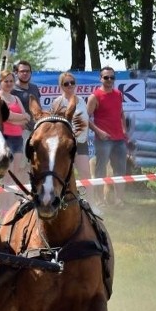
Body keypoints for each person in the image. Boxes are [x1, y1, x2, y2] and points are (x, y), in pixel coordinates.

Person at [50, 71, 97, 209]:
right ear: (61, 86)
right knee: (64, 174)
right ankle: (63, 202)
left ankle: (91, 204)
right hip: (65, 146)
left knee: (86, 174)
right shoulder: (57, 103)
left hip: (81, 143)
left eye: (72, 82)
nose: (70, 85)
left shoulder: (81, 100)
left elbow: (86, 120)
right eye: (66, 83)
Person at [87, 66, 128, 206]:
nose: (109, 80)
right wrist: (99, 132)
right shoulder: (95, 96)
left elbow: (121, 113)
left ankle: (119, 200)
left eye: (112, 77)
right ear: (100, 79)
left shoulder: (118, 94)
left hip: (119, 140)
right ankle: (100, 200)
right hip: (103, 140)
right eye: (106, 77)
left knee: (120, 170)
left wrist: (124, 130)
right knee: (100, 170)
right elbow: (85, 119)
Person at [0, 70, 31, 217]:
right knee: (7, 175)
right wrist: (18, 118)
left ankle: (13, 206)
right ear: (0, 82)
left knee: (16, 174)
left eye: (11, 81)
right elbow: (6, 117)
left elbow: (27, 118)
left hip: (18, 139)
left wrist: (17, 118)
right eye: (6, 81)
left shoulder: (16, 98)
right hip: (5, 138)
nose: (9, 84)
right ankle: (5, 208)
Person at [12, 59, 42, 135]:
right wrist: (21, 125)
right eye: (22, 71)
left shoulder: (34, 87)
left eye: (28, 71)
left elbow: (39, 107)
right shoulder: (12, 90)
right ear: (16, 73)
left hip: (37, 128)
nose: (25, 73)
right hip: (21, 131)